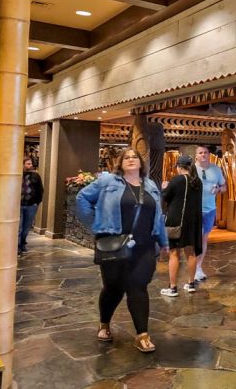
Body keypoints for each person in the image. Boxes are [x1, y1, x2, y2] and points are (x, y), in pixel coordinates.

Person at [76, 147, 169, 353]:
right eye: (126, 157)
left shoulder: (150, 185)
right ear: (120, 162)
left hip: (144, 246)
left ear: (141, 162)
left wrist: (164, 242)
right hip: (114, 245)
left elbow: (158, 216)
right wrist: (96, 224)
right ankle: (104, 323)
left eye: (135, 157)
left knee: (138, 286)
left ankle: (142, 335)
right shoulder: (108, 181)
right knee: (113, 288)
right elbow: (82, 198)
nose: (131, 159)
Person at [161, 155, 203, 296]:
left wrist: (164, 187)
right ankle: (191, 284)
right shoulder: (197, 181)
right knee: (190, 252)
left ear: (179, 167)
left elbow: (165, 197)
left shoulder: (177, 180)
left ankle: (173, 288)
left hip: (176, 221)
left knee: (174, 253)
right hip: (192, 221)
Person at [194, 145, 226, 281]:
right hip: (194, 209)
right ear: (196, 156)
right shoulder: (191, 169)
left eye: (205, 152)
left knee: (204, 238)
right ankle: (193, 267)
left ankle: (198, 267)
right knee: (194, 239)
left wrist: (218, 189)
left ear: (209, 154)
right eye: (200, 153)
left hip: (209, 209)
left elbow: (224, 187)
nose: (203, 154)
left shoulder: (216, 169)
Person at [19, 157, 44, 256]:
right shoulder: (17, 175)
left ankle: (22, 243)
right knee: (19, 227)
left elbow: (40, 190)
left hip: (31, 205)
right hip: (19, 205)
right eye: (28, 164)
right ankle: (18, 247)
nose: (30, 165)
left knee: (26, 227)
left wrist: (37, 202)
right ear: (22, 165)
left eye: (31, 163)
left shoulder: (36, 176)